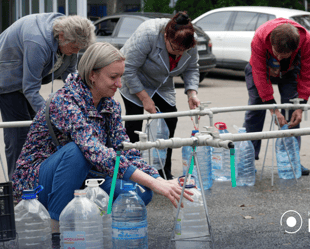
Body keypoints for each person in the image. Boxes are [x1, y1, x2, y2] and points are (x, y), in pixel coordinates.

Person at [12, 42, 193, 236]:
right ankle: (57, 230)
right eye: (113, 77)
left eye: (121, 76)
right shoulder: (64, 101)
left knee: (138, 191)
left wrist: (158, 180)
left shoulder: (110, 105)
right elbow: (93, 150)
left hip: (82, 175)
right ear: (92, 75)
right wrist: (155, 182)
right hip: (36, 184)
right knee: (77, 152)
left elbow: (126, 152)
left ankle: (98, 227)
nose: (120, 84)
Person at [0, 13, 95, 180]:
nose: (76, 52)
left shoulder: (71, 36)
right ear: (62, 37)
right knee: (19, 132)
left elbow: (70, 74)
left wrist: (83, 101)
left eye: (79, 49)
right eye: (74, 48)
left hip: (27, 73)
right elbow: (30, 88)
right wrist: (52, 114)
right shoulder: (37, 42)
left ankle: (35, 177)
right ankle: (17, 185)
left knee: (37, 129)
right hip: (6, 71)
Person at [120, 11, 201, 180]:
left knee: (170, 120)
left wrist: (191, 93)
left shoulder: (190, 43)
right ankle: (132, 173)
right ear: (166, 36)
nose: (179, 54)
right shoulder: (148, 33)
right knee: (134, 125)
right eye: (175, 49)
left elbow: (192, 68)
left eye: (183, 51)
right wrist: (144, 98)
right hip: (135, 79)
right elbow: (128, 68)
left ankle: (163, 170)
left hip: (162, 84)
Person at [242, 18, 310, 176]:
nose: (279, 58)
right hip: (260, 69)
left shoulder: (308, 42)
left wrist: (301, 105)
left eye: (285, 55)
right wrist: (272, 109)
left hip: (290, 71)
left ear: (295, 48)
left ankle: (292, 160)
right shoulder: (260, 37)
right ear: (271, 43)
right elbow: (260, 75)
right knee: (257, 107)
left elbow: (308, 74)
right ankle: (248, 160)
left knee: (292, 110)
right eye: (277, 54)